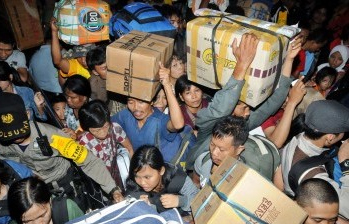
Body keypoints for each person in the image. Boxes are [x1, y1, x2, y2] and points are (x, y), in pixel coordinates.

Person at [186, 33, 302, 170]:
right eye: (244, 108)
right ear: (233, 106)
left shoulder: (242, 123)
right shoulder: (208, 121)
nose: (248, 113)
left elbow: (272, 103)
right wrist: (242, 63)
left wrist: (289, 59)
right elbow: (222, 107)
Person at [0, 92, 119, 207]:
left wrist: (113, 190)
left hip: (63, 187)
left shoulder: (52, 136)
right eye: (9, 135)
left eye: (19, 132)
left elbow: (90, 161)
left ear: (27, 114)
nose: (16, 138)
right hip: (30, 190)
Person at [111, 62, 185, 163]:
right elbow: (106, 124)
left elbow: (178, 125)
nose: (135, 108)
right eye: (130, 102)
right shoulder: (126, 115)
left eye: (141, 102)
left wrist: (167, 84)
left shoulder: (159, 120)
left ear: (152, 102)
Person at [125, 145, 199, 214]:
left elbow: (200, 201)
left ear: (161, 171)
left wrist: (181, 201)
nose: (142, 182)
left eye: (147, 177)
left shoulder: (177, 178)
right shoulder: (133, 189)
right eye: (137, 176)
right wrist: (146, 208)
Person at [78, 100, 134, 190]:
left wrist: (131, 172)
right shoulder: (83, 143)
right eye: (97, 130)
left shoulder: (114, 128)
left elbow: (129, 148)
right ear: (87, 129)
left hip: (115, 171)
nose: (103, 132)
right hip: (98, 179)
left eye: (105, 126)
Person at [261, 77, 307, 148]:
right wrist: (291, 104)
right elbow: (275, 143)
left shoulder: (283, 108)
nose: (287, 100)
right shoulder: (267, 112)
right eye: (284, 96)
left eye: (289, 95)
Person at [29, 30, 62, 100]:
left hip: (42, 94)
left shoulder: (34, 56)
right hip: (59, 95)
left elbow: (30, 76)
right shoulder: (60, 55)